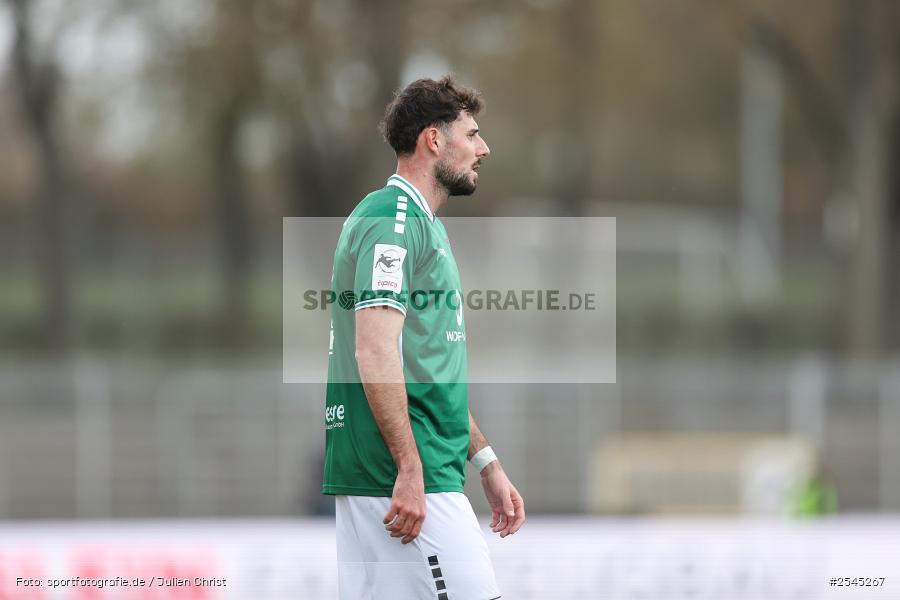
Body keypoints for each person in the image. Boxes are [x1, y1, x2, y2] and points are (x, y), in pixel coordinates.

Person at [323, 76, 525, 600]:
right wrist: (410, 469)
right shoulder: (392, 222)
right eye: (472, 134)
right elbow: (373, 348)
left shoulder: (421, 224)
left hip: (415, 472)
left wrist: (485, 462)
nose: (484, 149)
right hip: (401, 479)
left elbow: (427, 369)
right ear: (433, 141)